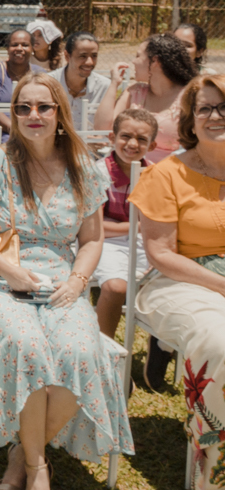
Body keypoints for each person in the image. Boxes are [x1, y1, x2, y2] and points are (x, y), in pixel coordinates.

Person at [0, 73, 132, 490]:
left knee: (80, 353)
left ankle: (20, 452)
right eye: (23, 108)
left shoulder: (83, 167)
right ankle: (37, 470)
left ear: (60, 114)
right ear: (12, 115)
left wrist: (77, 281)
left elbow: (91, 239)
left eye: (43, 107)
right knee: (27, 347)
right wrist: (9, 269)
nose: (33, 116)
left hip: (60, 283)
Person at [130, 74, 225, 490]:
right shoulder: (168, 172)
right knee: (220, 341)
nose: (215, 116)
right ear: (190, 118)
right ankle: (217, 478)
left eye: (224, 107)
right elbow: (161, 254)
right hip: (178, 281)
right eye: (205, 108)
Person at [89, 107, 156, 336]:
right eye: (125, 136)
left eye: (142, 139)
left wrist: (139, 229)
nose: (133, 144)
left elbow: (158, 224)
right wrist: (137, 227)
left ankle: (160, 349)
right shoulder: (97, 173)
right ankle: (102, 347)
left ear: (153, 146)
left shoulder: (155, 176)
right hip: (104, 242)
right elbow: (93, 227)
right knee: (115, 287)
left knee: (170, 284)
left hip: (144, 241)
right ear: (112, 138)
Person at [95, 33, 196, 161]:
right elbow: (102, 128)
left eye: (138, 56)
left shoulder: (188, 96)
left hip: (169, 173)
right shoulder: (134, 92)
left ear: (155, 61)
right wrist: (114, 83)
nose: (133, 61)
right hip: (128, 169)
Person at [0, 28, 33, 136]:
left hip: (34, 131)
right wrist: (15, 130)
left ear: (32, 48)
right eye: (14, 45)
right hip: (0, 134)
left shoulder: (39, 73)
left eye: (25, 45)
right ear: (7, 48)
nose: (19, 48)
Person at [48, 31, 108, 131]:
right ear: (67, 56)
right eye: (82, 56)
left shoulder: (104, 87)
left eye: (94, 56)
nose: (89, 62)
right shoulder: (49, 83)